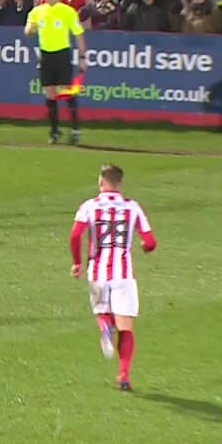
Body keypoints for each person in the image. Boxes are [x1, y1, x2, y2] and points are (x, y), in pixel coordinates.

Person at [68, 164, 157, 392]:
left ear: (101, 183)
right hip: (124, 275)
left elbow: (75, 235)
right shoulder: (133, 207)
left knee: (102, 313)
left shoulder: (89, 206)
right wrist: (145, 247)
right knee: (126, 328)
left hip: (97, 272)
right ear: (120, 184)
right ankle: (123, 376)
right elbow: (150, 242)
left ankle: (105, 327)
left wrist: (77, 262)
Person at [26, 0, 88, 145]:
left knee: (66, 92)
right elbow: (27, 31)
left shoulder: (67, 12)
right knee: (50, 93)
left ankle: (75, 128)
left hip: (62, 54)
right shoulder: (37, 12)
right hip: (46, 55)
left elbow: (79, 34)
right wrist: (31, 29)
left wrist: (82, 57)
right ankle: (54, 131)